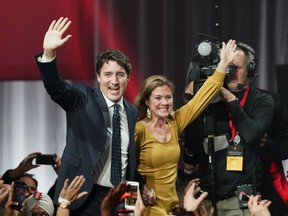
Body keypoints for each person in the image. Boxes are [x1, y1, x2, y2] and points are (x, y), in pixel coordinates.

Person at [34, 17, 140, 215]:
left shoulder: (133, 112)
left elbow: (130, 163)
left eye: (120, 74)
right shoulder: (83, 98)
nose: (114, 81)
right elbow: (57, 90)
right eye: (108, 74)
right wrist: (49, 54)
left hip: (121, 198)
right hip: (84, 195)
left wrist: (132, 203)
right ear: (98, 77)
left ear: (128, 77)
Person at [134, 39, 239, 215]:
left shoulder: (175, 121)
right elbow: (126, 165)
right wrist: (140, 187)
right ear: (146, 101)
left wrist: (222, 65)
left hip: (173, 207)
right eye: (158, 98)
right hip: (147, 207)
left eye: (168, 97)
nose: (165, 103)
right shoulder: (139, 128)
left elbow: (202, 98)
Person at [182, 42, 275, 215]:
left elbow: (251, 134)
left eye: (236, 67)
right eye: (227, 67)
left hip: (240, 200)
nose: (230, 72)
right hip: (208, 198)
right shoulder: (210, 100)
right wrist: (192, 99)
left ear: (250, 69)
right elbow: (193, 144)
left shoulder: (263, 101)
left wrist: (228, 97)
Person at [258, 90, 288, 216]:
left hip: (268, 181)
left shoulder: (272, 100)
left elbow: (284, 147)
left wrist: (266, 145)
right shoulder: (212, 102)